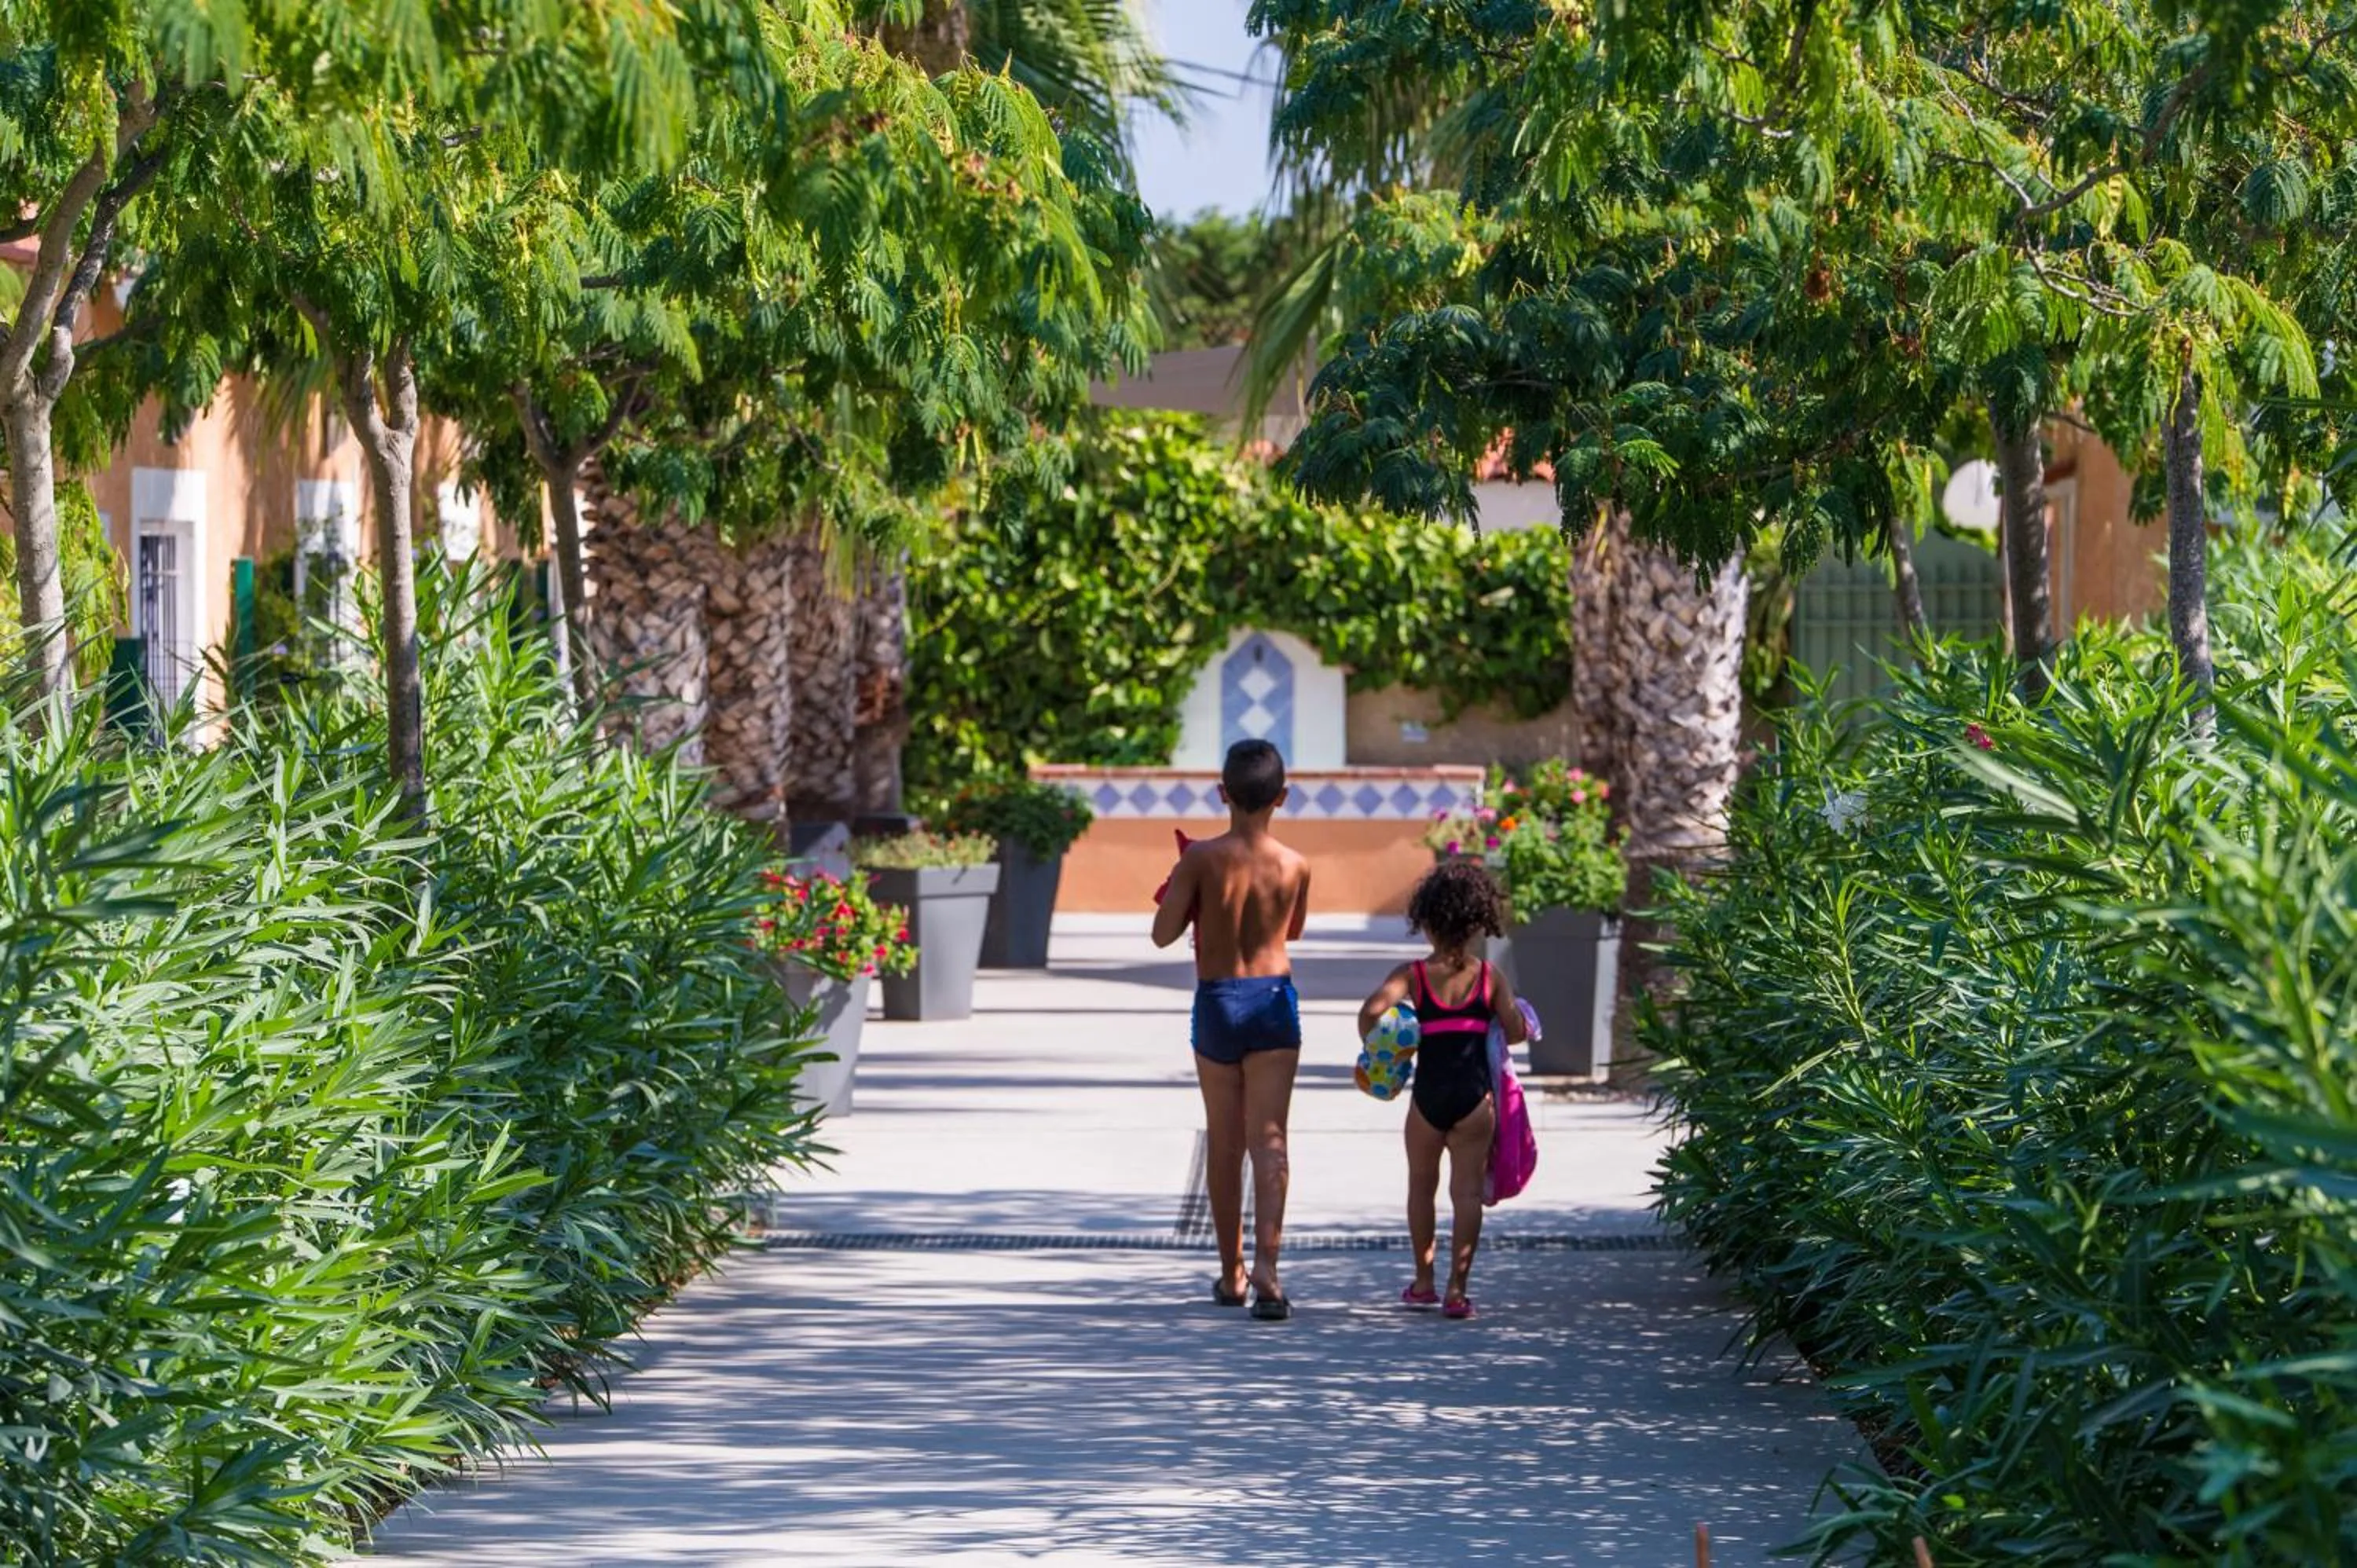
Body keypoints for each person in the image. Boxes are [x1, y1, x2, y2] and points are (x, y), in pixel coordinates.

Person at [1152, 739, 1312, 1321]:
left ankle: (1232, 1273)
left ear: (1223, 794)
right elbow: (1290, 932)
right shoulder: (1296, 865)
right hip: (1273, 999)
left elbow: (1161, 934)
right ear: (1283, 798)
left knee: (1227, 1142)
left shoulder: (1200, 859)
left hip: (1217, 1000)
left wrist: (1183, 890)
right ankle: (1270, 1272)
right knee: (1271, 1140)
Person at [1357, 860, 1527, 1321]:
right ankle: (1458, 1290)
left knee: (1420, 1188)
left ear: (1425, 921)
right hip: (1475, 1102)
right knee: (1467, 1195)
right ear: (1477, 924)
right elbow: (1515, 1032)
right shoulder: (1490, 978)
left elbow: (1372, 1010)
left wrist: (1384, 1052)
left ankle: (1423, 1281)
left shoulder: (1412, 976)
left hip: (1427, 1102)